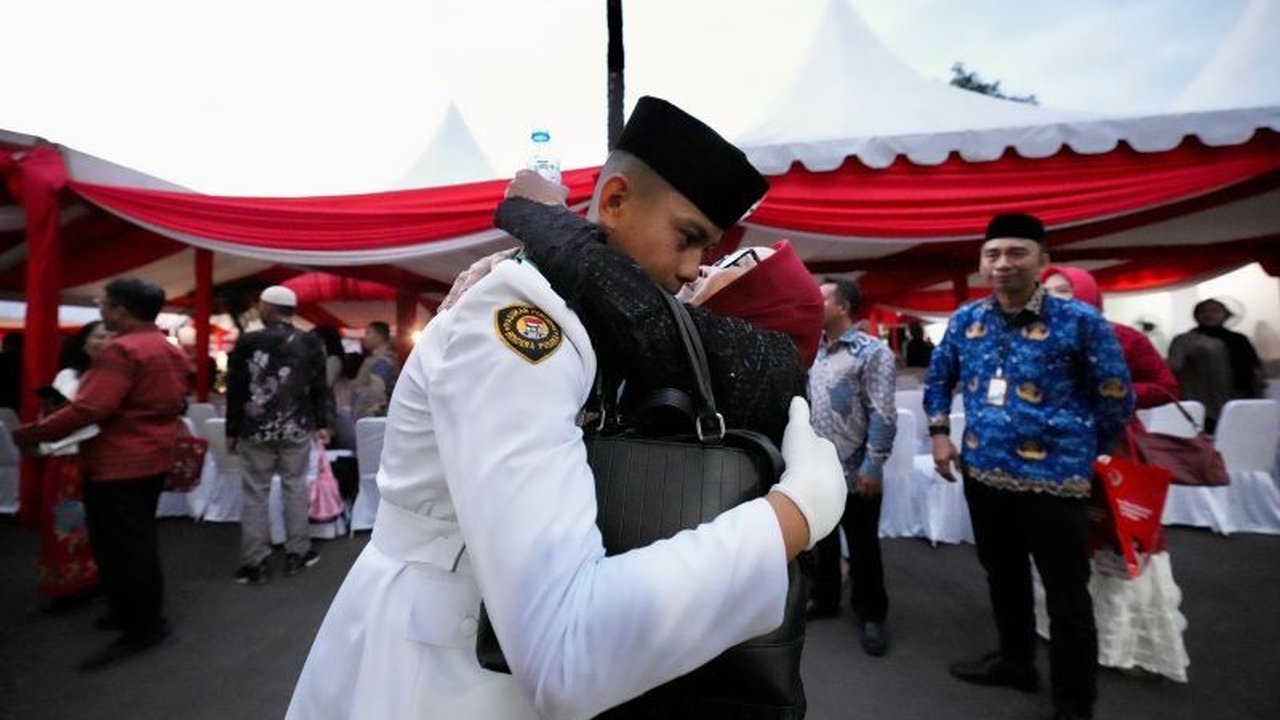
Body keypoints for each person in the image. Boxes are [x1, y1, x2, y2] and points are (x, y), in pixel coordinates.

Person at [286, 96, 847, 720]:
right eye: (688, 239)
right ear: (612, 202)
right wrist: (788, 519)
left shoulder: (582, 318)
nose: (691, 272)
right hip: (434, 672)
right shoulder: (519, 324)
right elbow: (564, 648)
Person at [925, 213, 1134, 720]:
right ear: (981, 262)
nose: (1003, 264)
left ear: (1042, 260)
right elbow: (939, 379)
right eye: (993, 254)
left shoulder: (1079, 322)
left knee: (1066, 594)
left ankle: (1073, 700)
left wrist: (1080, 448)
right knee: (1003, 576)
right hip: (985, 475)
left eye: (1016, 253)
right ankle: (1016, 663)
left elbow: (1115, 397)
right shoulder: (966, 320)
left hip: (1055, 482)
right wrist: (939, 435)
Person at [13, 278, 189, 671]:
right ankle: (135, 613)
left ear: (121, 310)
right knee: (137, 541)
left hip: (116, 461)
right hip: (153, 455)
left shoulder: (121, 350)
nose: (101, 309)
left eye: (104, 303)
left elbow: (90, 408)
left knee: (122, 546)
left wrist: (33, 433)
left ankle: (142, 625)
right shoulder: (167, 348)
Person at [1040, 265, 1189, 682]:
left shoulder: (1123, 338)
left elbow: (1166, 386)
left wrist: (1113, 394)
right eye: (1047, 292)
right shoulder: (1036, 339)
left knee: (1118, 537)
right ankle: (1064, 625)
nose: (1055, 298)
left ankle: (1123, 639)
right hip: (1053, 453)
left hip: (1112, 450)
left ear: (1086, 293)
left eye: (1064, 290)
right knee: (1065, 540)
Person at [805, 277, 898, 658]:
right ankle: (825, 599)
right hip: (817, 467)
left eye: (821, 298)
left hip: (856, 467)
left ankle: (871, 614)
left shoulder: (871, 351)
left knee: (863, 547)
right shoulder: (813, 350)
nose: (814, 302)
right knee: (822, 540)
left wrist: (874, 465)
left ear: (842, 306)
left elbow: (883, 412)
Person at [225, 286, 331, 584]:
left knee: (255, 492)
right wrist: (321, 423)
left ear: (269, 308)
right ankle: (298, 551)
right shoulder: (310, 342)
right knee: (294, 487)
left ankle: (255, 561)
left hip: (255, 428)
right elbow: (319, 388)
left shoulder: (249, 341)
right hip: (296, 426)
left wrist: (232, 429)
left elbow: (236, 389)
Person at [35, 321, 111, 609]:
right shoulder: (69, 375)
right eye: (98, 337)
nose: (104, 341)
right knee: (68, 521)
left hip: (100, 456)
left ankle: (94, 580)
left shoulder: (113, 375)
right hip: (69, 456)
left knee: (98, 522)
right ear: (83, 343)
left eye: (108, 336)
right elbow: (59, 414)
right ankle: (69, 585)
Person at [1166, 298, 1264, 433]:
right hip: (1203, 400)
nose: (1209, 315)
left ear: (1225, 315)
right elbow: (1173, 366)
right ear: (1196, 315)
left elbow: (1254, 368)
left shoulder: (1239, 339)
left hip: (1240, 397)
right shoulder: (1185, 340)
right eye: (1203, 311)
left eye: (1215, 311)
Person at [349, 321, 398, 419]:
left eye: (368, 333)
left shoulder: (383, 361)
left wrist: (367, 411)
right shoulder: (376, 359)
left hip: (371, 415)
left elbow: (377, 390)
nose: (365, 337)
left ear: (379, 336)